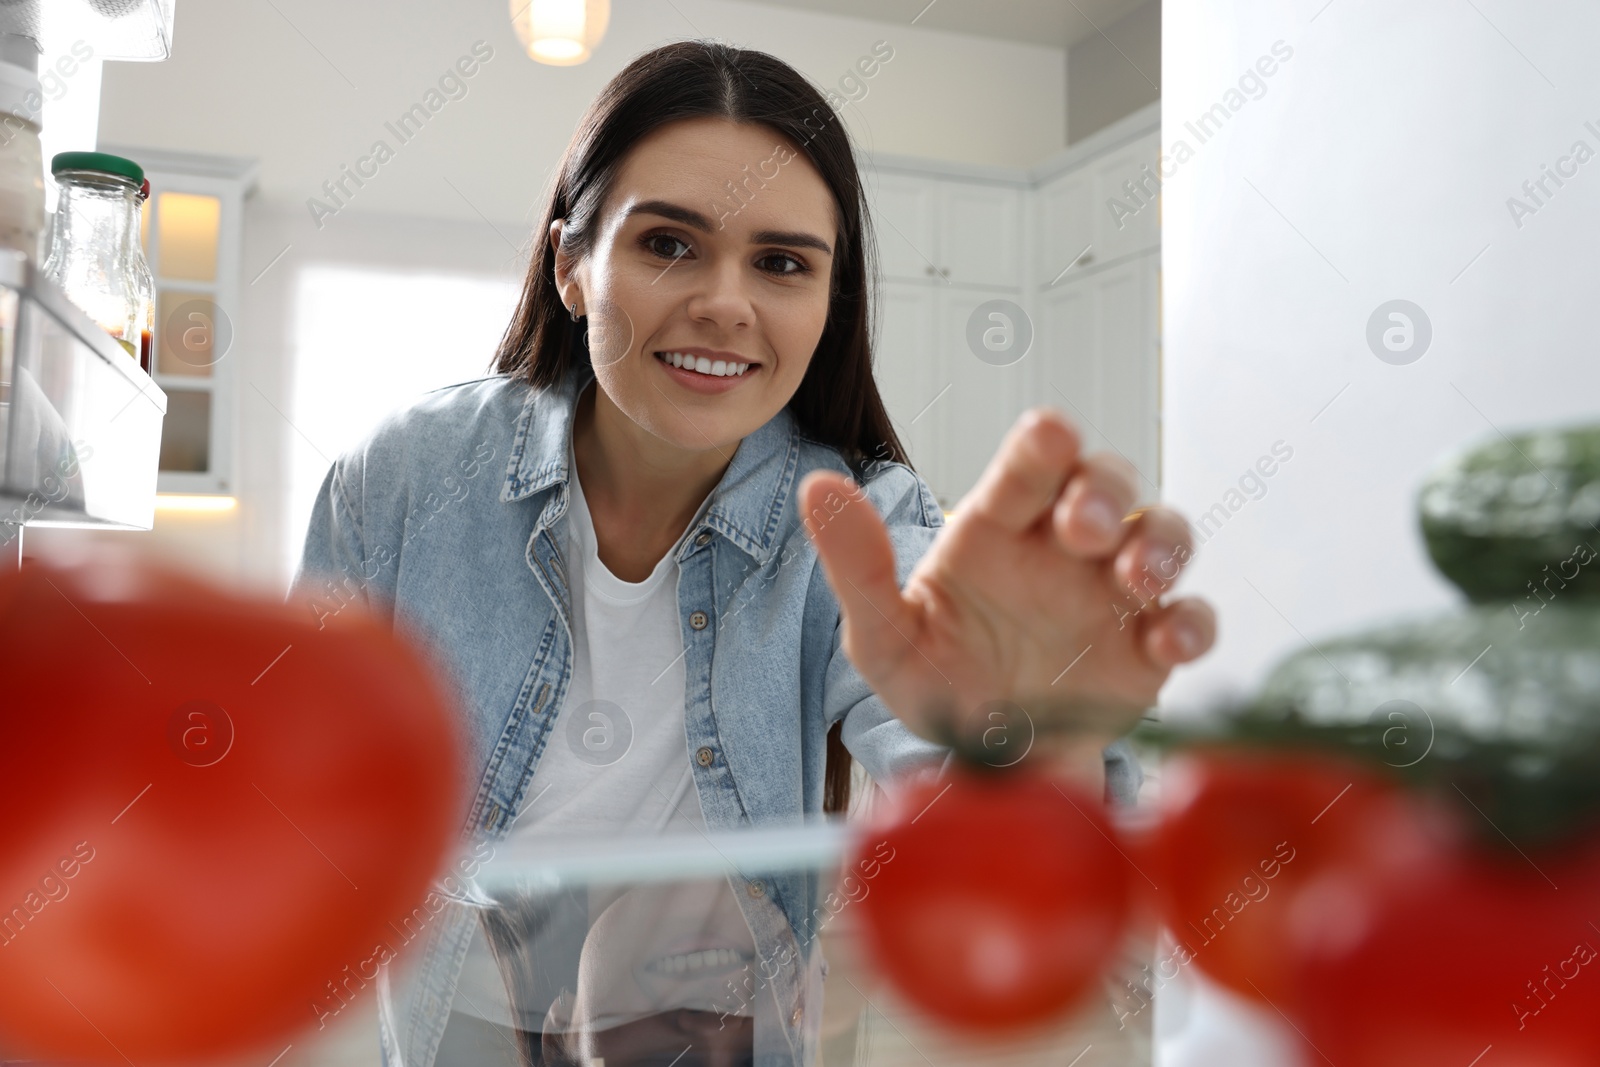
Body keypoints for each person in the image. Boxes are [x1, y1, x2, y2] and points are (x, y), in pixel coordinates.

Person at [290, 38, 1215, 1067]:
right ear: (571, 266)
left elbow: (1014, 867)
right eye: (669, 245)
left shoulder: (860, 523)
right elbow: (295, 807)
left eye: (780, 263)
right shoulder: (404, 479)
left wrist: (1036, 737)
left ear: (827, 306)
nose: (725, 302)